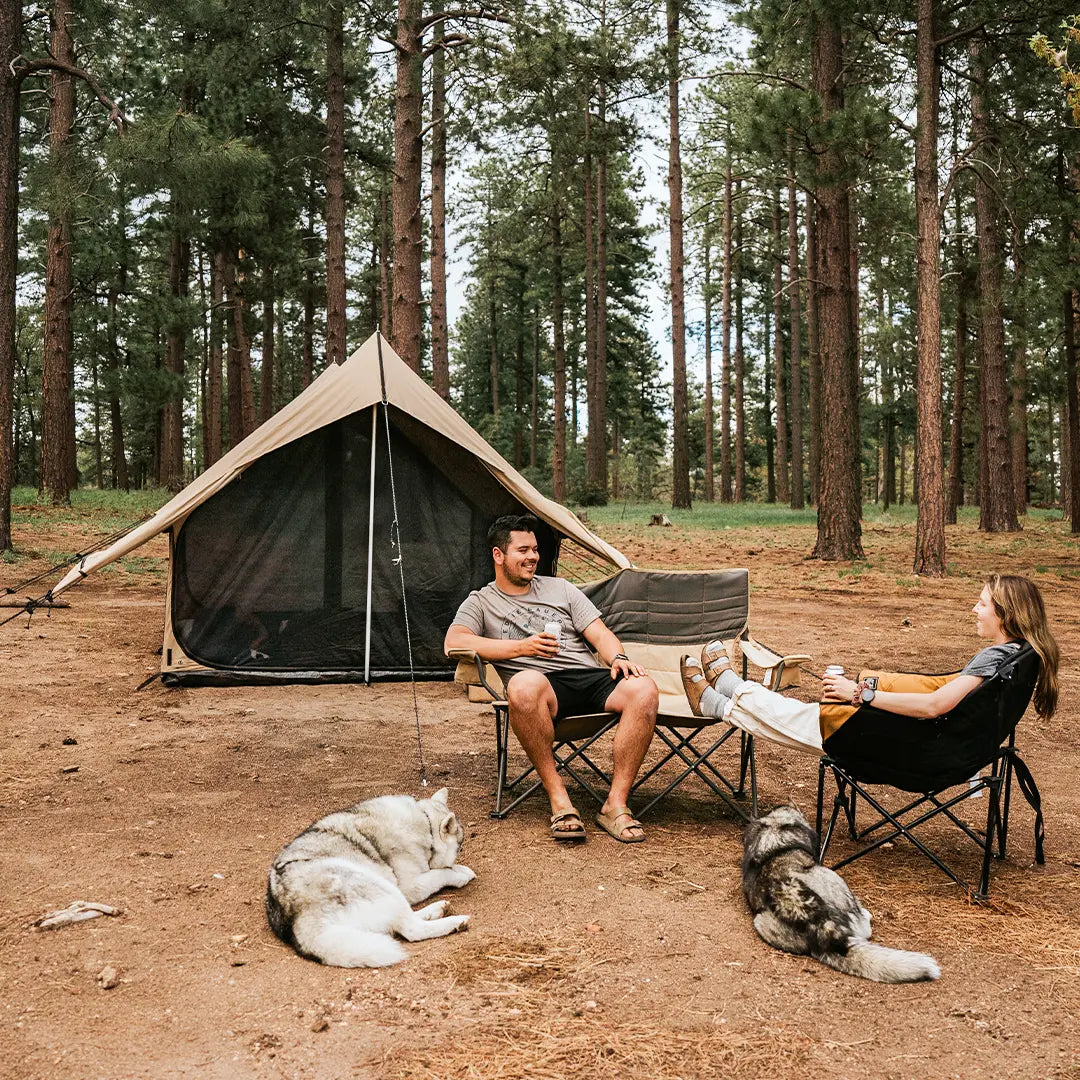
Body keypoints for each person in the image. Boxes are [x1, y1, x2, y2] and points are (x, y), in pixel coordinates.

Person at [444, 514, 659, 843]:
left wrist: (618, 657)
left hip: (587, 676)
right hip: (541, 690)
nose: (532, 557)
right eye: (523, 550)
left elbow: (600, 634)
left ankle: (615, 805)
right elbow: (454, 642)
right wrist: (522, 647)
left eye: (535, 549)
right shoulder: (482, 601)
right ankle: (559, 799)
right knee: (523, 685)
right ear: (498, 556)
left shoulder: (561, 588)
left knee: (643, 688)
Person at [680, 574, 1059, 739]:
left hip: (906, 742)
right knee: (799, 718)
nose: (973, 610)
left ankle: (722, 700)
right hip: (933, 739)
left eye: (981, 604)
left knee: (797, 719)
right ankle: (725, 694)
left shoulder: (995, 659)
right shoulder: (1016, 655)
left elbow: (933, 705)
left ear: (1006, 614)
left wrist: (860, 695)